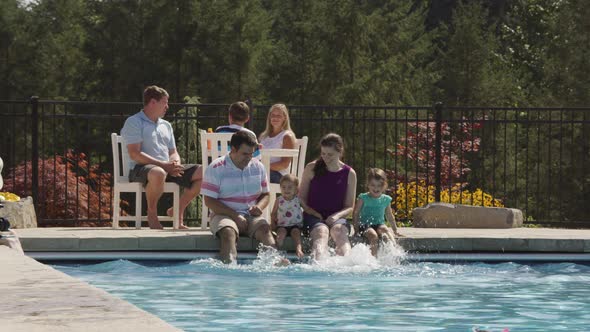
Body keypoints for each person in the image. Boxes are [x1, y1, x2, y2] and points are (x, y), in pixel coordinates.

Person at [121, 85, 202, 229]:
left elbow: (173, 151)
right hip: (141, 168)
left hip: (166, 167)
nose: (167, 106)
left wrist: (174, 162)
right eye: (164, 102)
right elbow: (135, 154)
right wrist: (164, 166)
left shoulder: (166, 125)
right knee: (158, 172)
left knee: (204, 172)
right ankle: (152, 213)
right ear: (153, 102)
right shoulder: (134, 122)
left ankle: (177, 209)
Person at [201, 130, 278, 263]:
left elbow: (266, 194)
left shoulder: (258, 167)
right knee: (228, 233)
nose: (249, 157)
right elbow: (209, 200)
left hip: (251, 215)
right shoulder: (216, 167)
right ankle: (230, 269)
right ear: (233, 149)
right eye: (245, 154)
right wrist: (235, 215)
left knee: (266, 230)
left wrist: (259, 207)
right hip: (223, 214)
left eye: (251, 153)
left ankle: (273, 265)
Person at [299, 133, 357, 260]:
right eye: (323, 153)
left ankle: (350, 266)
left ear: (340, 152)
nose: (326, 157)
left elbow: (349, 207)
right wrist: (312, 212)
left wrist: (336, 216)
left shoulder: (349, 173)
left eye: (330, 154)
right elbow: (301, 198)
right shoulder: (311, 168)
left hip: (337, 218)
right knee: (322, 232)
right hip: (313, 217)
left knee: (340, 232)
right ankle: (319, 268)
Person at [352, 168, 403, 256]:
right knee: (373, 235)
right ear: (368, 185)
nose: (376, 188)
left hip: (379, 224)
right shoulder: (363, 198)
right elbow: (356, 213)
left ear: (384, 186)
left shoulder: (386, 199)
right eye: (373, 185)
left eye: (379, 185)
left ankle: (395, 253)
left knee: (386, 232)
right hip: (365, 225)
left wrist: (395, 230)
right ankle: (373, 259)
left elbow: (389, 215)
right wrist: (356, 229)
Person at [271, 174, 323, 258]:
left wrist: (316, 214)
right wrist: (272, 223)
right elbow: (273, 213)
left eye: (289, 187)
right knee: (280, 235)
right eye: (283, 187)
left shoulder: (298, 199)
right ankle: (277, 253)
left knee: (296, 234)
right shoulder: (279, 200)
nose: (286, 190)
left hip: (295, 225)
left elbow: (307, 209)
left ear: (296, 189)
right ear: (280, 188)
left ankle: (298, 248)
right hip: (282, 225)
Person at [258, 104, 297, 183]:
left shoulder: (287, 136)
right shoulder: (264, 136)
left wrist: (263, 166)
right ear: (269, 117)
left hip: (280, 175)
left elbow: (284, 164)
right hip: (265, 171)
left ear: (284, 118)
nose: (275, 118)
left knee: (253, 176)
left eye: (279, 115)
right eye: (273, 115)